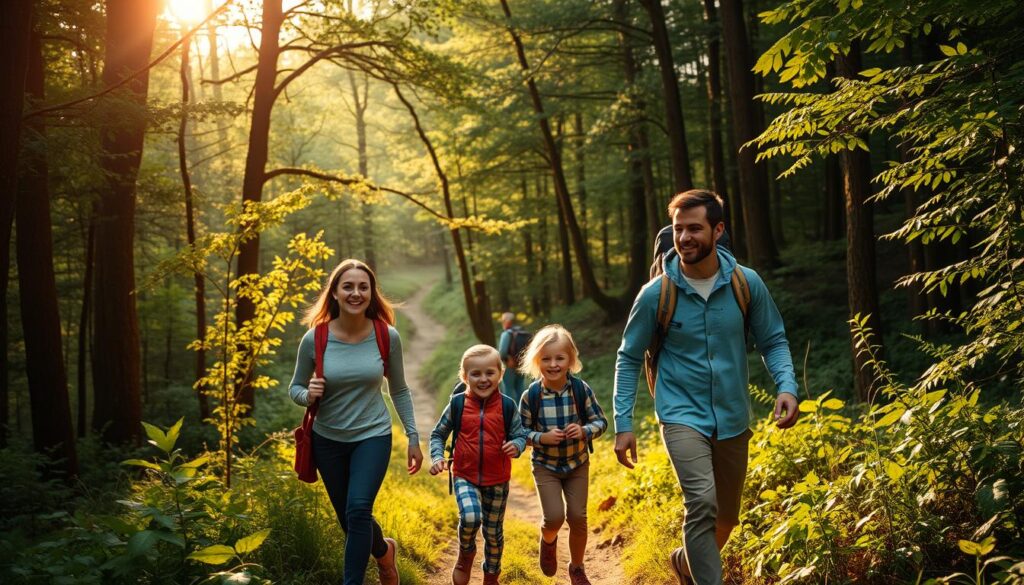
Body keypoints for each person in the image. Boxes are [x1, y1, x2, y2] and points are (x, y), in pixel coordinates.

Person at [612, 190, 799, 585]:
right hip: (680, 414)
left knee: (727, 517)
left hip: (733, 415)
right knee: (701, 504)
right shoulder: (655, 295)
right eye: (678, 229)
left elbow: (774, 341)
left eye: (694, 228)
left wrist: (787, 387)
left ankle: (684, 562)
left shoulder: (745, 284)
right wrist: (623, 422)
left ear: (717, 230)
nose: (685, 238)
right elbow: (628, 358)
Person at [288, 259, 423, 585]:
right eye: (348, 286)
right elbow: (294, 387)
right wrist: (308, 395)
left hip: (372, 435)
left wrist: (413, 436)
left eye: (363, 286)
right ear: (334, 292)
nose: (356, 292)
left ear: (371, 292)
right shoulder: (315, 339)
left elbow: (400, 389)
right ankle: (384, 551)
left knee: (359, 509)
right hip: (327, 440)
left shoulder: (385, 335)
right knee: (350, 520)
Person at [429, 345, 528, 585]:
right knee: (471, 518)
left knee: (493, 534)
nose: (483, 379)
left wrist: (516, 445)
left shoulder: (507, 406)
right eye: (475, 374)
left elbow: (520, 435)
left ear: (500, 374)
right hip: (464, 474)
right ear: (465, 377)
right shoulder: (457, 405)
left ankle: (491, 575)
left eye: (489, 373)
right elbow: (438, 434)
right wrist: (437, 457)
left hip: (498, 479)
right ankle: (466, 553)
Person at [518, 325, 607, 585]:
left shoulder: (581, 390)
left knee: (578, 517)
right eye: (546, 359)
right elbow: (520, 432)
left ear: (571, 360)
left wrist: (583, 431)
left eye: (560, 358)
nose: (553, 364)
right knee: (554, 517)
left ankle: (577, 568)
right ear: (536, 361)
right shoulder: (531, 396)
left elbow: (601, 422)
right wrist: (540, 438)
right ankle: (548, 540)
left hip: (578, 463)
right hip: (545, 466)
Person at [497, 312, 528, 401]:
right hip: (521, 365)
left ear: (507, 321)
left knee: (508, 390)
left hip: (509, 366)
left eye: (503, 320)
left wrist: (507, 359)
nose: (502, 323)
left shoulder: (506, 334)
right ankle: (522, 410)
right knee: (520, 388)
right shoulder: (522, 333)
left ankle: (510, 412)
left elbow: (502, 352)